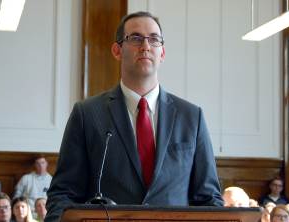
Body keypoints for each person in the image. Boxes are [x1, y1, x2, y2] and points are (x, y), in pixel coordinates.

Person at [45, 11, 223, 221]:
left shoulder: (192, 117)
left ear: (162, 53)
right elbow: (63, 195)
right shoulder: (87, 114)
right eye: (136, 38)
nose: (146, 46)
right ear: (117, 50)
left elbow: (209, 200)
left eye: (154, 39)